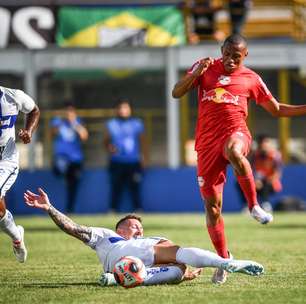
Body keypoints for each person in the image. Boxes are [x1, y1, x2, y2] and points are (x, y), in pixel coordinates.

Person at [172, 33, 306, 284]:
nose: (231, 60)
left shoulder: (251, 78)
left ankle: (254, 205)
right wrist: (195, 73)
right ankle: (224, 260)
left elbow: (275, 109)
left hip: (236, 133)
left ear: (245, 56)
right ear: (221, 49)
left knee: (235, 151)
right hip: (206, 144)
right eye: (227, 54)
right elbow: (176, 93)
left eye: (237, 56)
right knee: (212, 209)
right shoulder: (205, 67)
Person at [24, 188, 264, 287]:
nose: (138, 230)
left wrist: (187, 274)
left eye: (140, 228)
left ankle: (117, 278)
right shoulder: (107, 236)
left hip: (134, 266)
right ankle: (224, 262)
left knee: (179, 268)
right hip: (131, 257)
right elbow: (74, 228)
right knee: (173, 249)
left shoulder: (129, 241)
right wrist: (50, 209)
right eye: (133, 226)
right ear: (120, 229)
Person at [0, 86, 40, 263]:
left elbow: (34, 110)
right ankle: (17, 237)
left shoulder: (12, 96)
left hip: (5, 161)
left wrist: (28, 131)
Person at [104, 98, 148, 212]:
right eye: (120, 108)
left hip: (133, 161)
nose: (122, 110)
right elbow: (105, 141)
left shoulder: (137, 123)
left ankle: (138, 209)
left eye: (125, 108)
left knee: (135, 186)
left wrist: (144, 158)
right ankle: (113, 209)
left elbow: (143, 141)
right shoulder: (111, 124)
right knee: (115, 187)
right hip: (116, 161)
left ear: (130, 109)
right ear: (116, 110)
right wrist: (109, 147)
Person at [51, 102, 88, 213]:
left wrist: (74, 124)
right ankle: (64, 176)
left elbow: (84, 136)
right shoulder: (58, 122)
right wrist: (62, 123)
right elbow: (52, 133)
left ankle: (70, 209)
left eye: (70, 112)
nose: (68, 114)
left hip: (75, 159)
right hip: (61, 157)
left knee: (73, 184)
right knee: (59, 168)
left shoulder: (78, 122)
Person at [251, 135, 282, 211]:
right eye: (260, 143)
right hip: (257, 182)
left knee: (266, 183)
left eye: (265, 143)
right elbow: (250, 171)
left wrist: (264, 180)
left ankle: (265, 204)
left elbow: (277, 174)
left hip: (271, 183)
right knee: (241, 183)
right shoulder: (254, 156)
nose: (263, 145)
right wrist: (255, 180)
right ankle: (250, 205)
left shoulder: (275, 156)